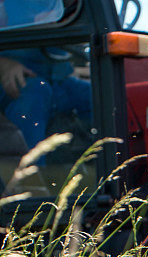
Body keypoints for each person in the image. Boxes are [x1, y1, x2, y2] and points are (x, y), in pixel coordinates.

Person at [0, 1, 90, 150]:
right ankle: (31, 170)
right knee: (35, 93)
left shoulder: (61, 6)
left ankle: (104, 163)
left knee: (100, 96)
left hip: (57, 79)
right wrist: (3, 64)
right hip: (17, 79)